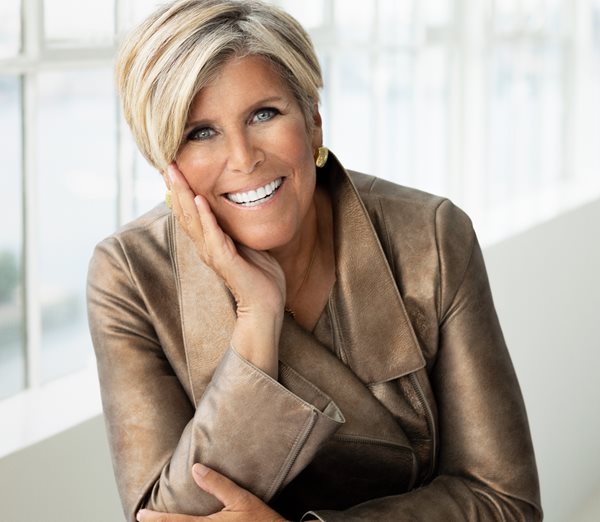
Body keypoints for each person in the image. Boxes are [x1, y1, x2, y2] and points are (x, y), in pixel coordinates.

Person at [86, 1, 542, 521]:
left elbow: (507, 504)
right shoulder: (128, 274)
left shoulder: (430, 237)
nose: (244, 158)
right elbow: (165, 517)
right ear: (165, 165)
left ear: (314, 122)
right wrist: (256, 319)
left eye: (264, 114)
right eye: (200, 133)